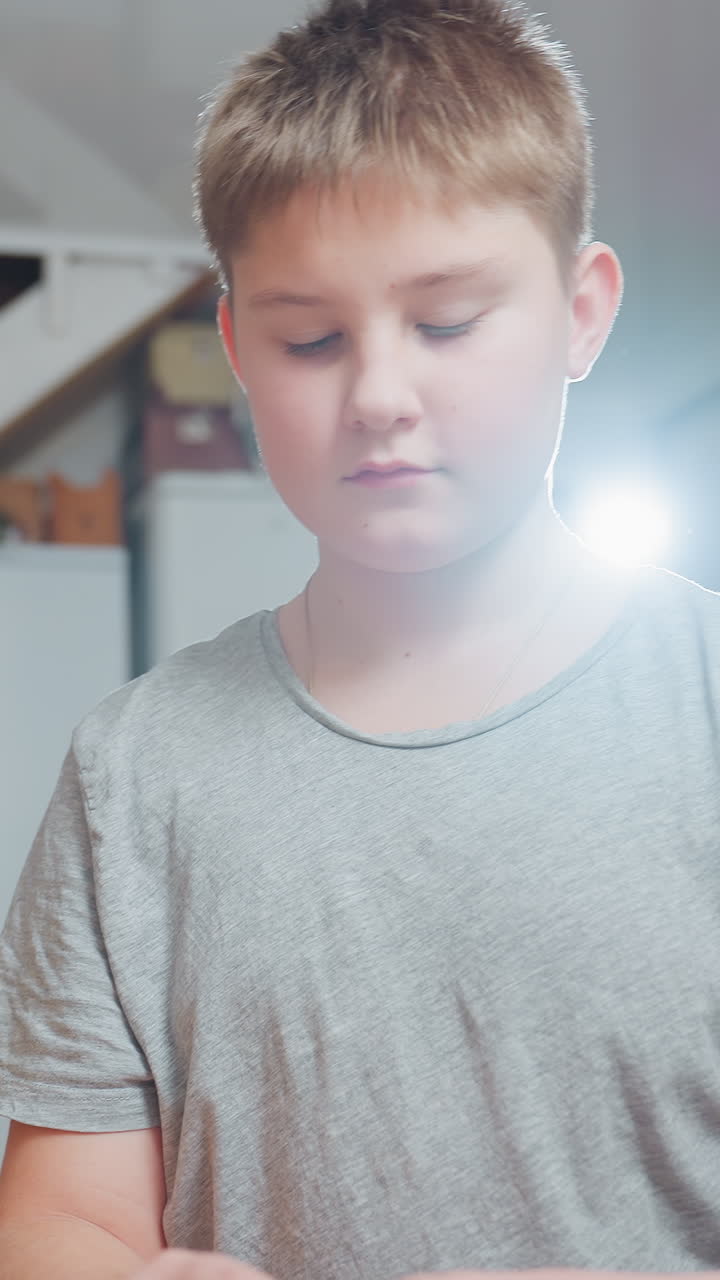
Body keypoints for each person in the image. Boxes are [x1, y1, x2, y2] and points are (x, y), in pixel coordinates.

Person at [1, 2, 719, 1279]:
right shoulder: (134, 776)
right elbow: (53, 1222)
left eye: (446, 323)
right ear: (234, 350)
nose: (381, 393)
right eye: (311, 337)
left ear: (581, 310)